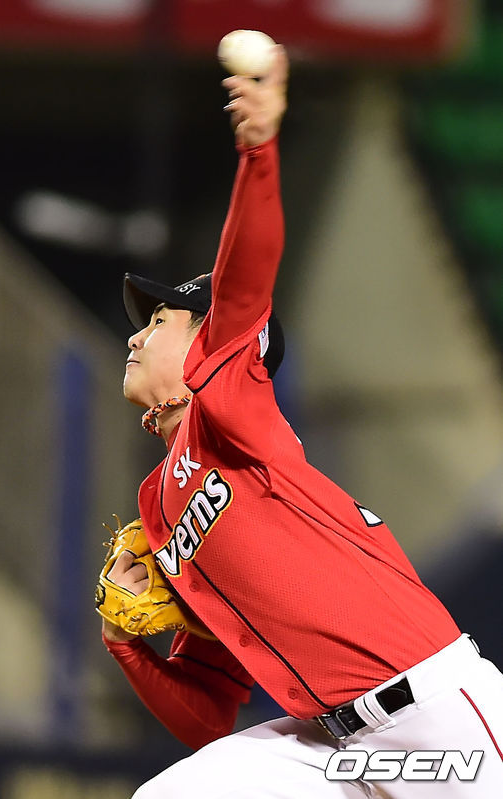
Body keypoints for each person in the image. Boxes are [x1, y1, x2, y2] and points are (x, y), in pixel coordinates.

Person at [100, 46, 503, 798]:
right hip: (323, 742)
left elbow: (245, 280)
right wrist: (124, 642)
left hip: (435, 710)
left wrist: (259, 152)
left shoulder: (230, 410)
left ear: (215, 342)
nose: (136, 336)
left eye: (159, 319)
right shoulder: (159, 504)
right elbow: (208, 713)